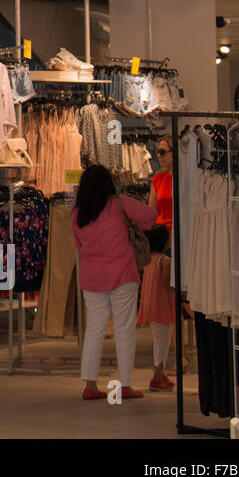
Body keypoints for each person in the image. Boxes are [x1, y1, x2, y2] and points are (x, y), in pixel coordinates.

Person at [72, 164, 157, 401]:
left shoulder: (78, 213)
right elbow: (150, 216)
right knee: (124, 330)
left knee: (94, 331)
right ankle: (125, 385)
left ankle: (90, 384)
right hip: (122, 275)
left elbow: (79, 246)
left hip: (92, 278)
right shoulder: (119, 204)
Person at [137, 225, 176, 392]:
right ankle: (158, 375)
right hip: (162, 304)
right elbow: (168, 284)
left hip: (150, 303)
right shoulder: (165, 261)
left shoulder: (148, 260)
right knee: (163, 340)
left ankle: (161, 374)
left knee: (158, 338)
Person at [148, 136, 174, 229]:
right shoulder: (157, 179)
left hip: (182, 232)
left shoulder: (183, 179)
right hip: (162, 233)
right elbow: (152, 211)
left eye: (162, 152)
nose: (159, 155)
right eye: (158, 152)